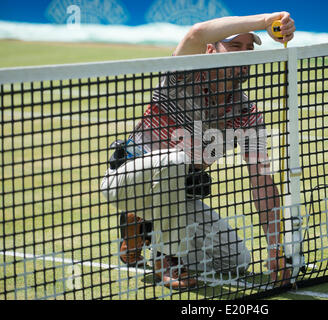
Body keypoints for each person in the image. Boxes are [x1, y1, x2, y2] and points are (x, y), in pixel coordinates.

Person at [101, 12, 296, 290]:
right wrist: (265, 21)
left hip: (174, 195)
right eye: (234, 46)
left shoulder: (248, 115)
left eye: (248, 48)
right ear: (210, 50)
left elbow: (262, 182)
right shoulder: (183, 75)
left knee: (235, 260)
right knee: (178, 159)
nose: (243, 55)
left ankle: (143, 226)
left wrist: (276, 249)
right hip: (127, 180)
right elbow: (196, 32)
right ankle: (165, 255)